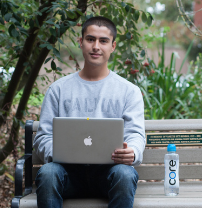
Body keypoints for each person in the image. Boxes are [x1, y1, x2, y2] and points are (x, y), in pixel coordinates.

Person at [33, 16, 145, 208]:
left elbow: (135, 134)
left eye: (103, 41)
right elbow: (43, 137)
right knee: (48, 172)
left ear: (113, 46)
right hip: (66, 174)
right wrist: (58, 152)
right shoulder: (58, 90)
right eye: (90, 39)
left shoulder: (129, 91)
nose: (96, 46)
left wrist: (132, 152)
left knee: (125, 174)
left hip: (109, 174)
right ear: (81, 42)